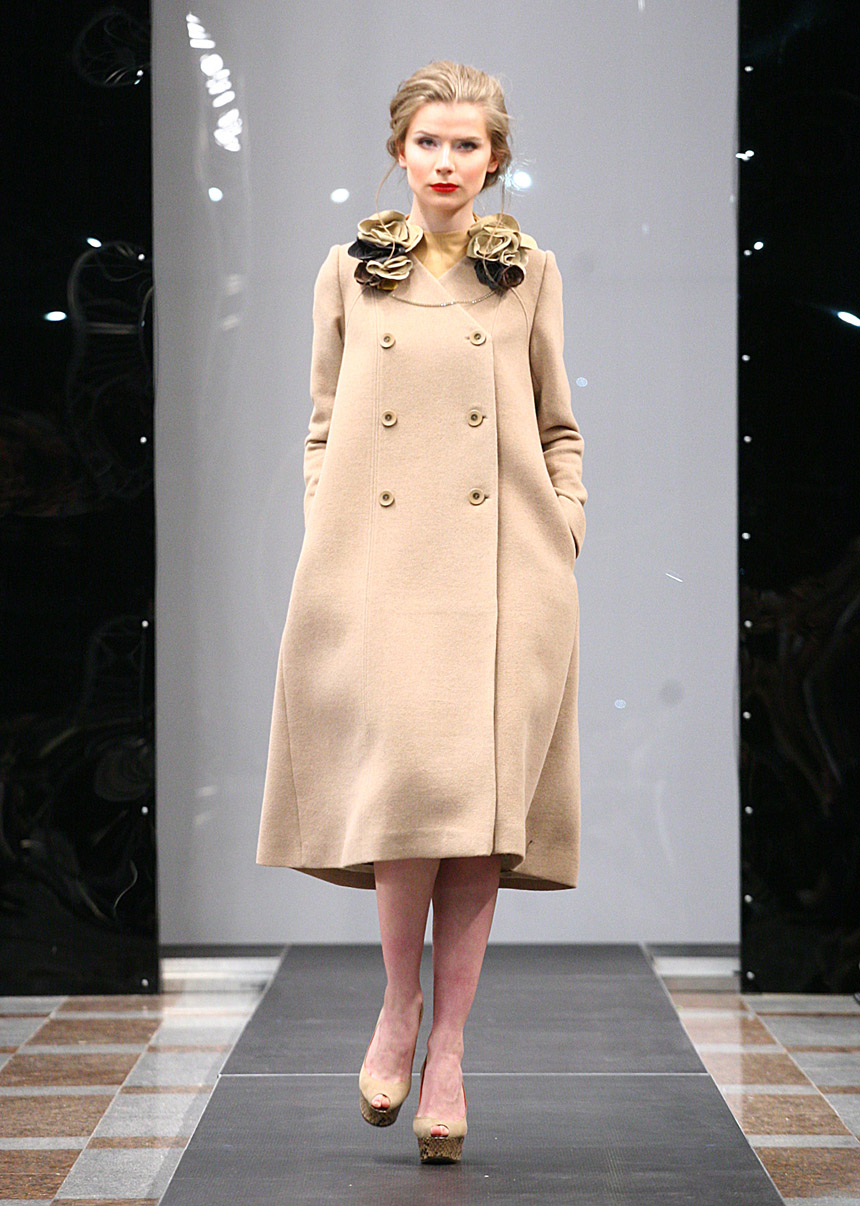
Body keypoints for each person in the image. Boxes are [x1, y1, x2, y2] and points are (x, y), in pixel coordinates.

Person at [256, 59, 587, 1165]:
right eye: (429, 142)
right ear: (399, 151)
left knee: (477, 825)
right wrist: (329, 524)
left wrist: (564, 525)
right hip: (384, 569)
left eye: (466, 145)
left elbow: (557, 423)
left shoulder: (526, 271)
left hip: (503, 573)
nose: (446, 162)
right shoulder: (350, 270)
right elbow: (322, 421)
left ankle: (448, 1050)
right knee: (406, 802)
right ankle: (397, 1007)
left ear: (495, 159)